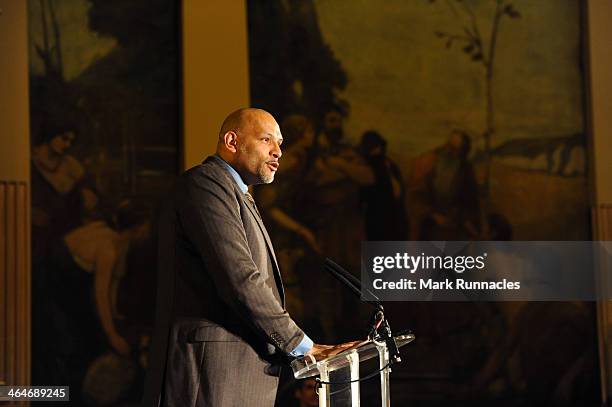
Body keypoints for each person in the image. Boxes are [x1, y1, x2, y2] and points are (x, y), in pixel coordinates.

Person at [142, 108, 357, 407]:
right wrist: (302, 346)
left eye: (280, 143)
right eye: (267, 139)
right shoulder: (206, 184)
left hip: (238, 374)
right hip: (211, 374)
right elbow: (240, 279)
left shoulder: (239, 193)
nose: (278, 152)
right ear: (232, 141)